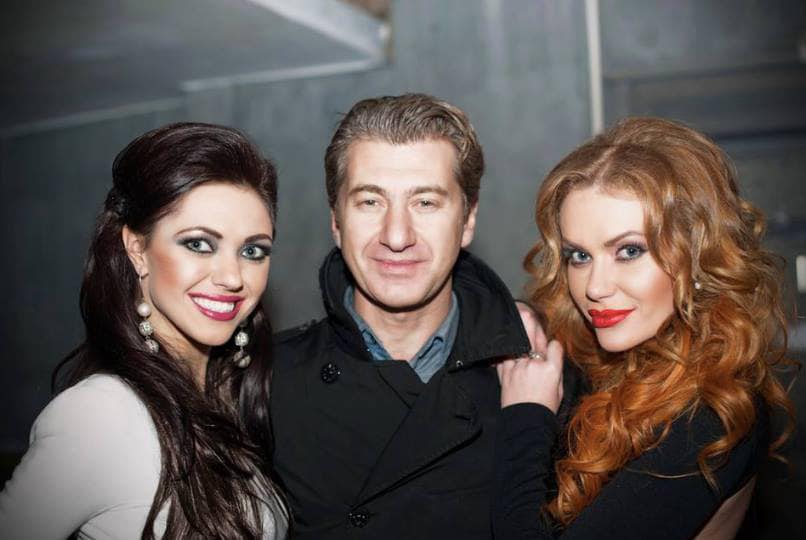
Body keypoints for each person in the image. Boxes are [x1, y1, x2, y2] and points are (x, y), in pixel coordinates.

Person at [252, 93, 578, 539]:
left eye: (425, 202)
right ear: (336, 222)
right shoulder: (261, 381)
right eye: (370, 202)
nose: (397, 235)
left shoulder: (546, 384)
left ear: (468, 221)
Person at [493, 117, 795, 539]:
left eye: (629, 251)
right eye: (579, 256)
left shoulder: (708, 416)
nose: (595, 287)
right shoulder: (613, 373)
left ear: (697, 256)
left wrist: (526, 415)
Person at [0, 123, 287, 539]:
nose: (232, 276)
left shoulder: (233, 399)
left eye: (252, 250)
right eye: (198, 244)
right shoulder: (100, 414)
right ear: (137, 249)